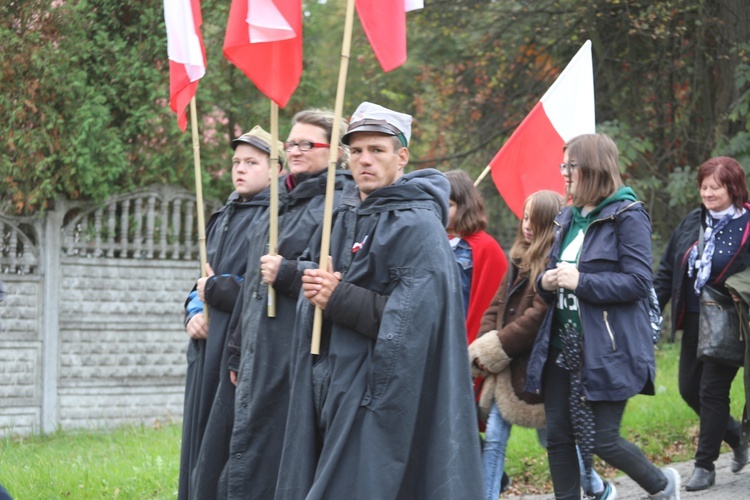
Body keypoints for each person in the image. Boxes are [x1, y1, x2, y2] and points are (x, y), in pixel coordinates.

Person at [273, 102, 484, 499]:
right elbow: (318, 288)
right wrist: (312, 286)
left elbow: (415, 322)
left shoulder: (418, 225)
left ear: (401, 157)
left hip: (376, 393)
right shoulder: (346, 214)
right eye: (356, 151)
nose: (364, 160)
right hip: (329, 384)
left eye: (377, 150)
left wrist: (337, 297)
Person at [525, 133, 681, 500]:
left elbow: (639, 282)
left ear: (593, 168)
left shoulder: (628, 215)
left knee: (601, 439)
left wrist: (582, 282)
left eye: (571, 166)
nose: (564, 173)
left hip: (609, 347)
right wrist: (544, 281)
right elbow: (549, 275)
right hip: (563, 345)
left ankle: (662, 484)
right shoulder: (566, 217)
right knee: (559, 436)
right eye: (563, 165)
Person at [222, 109, 353, 499]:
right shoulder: (278, 202)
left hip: (300, 352)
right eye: (291, 143)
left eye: (306, 144)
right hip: (258, 350)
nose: (295, 150)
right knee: (251, 450)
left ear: (335, 151)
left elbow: (338, 272)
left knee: (287, 453)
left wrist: (290, 273)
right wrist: (235, 351)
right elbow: (250, 290)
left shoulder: (340, 204)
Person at [470, 191, 613, 500]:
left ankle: (595, 486)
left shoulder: (554, 261)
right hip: (506, 366)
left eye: (534, 219)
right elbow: (496, 305)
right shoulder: (517, 255)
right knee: (495, 436)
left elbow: (537, 317)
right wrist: (485, 343)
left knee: (554, 437)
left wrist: (499, 347)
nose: (527, 225)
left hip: (535, 367)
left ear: (549, 222)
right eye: (524, 217)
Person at [178, 125, 283, 500]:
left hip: (239, 346)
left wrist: (220, 289)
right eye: (237, 161)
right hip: (207, 341)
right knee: (197, 435)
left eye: (252, 162)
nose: (240, 169)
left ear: (275, 170)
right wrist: (192, 311)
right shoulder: (223, 215)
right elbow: (200, 280)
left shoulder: (274, 218)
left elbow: (265, 288)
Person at [654, 156, 750, 491]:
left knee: (712, 390)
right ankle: (737, 436)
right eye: (704, 187)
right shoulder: (693, 221)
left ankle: (704, 466)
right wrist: (654, 306)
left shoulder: (747, 224)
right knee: (688, 389)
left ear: (733, 188)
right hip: (694, 320)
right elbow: (668, 270)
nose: (708, 193)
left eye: (716, 187)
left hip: (730, 322)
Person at [445, 169, 507, 345]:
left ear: (464, 206)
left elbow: (492, 301)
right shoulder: (432, 241)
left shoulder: (486, 247)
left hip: (464, 340)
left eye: (448, 205)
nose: (441, 210)